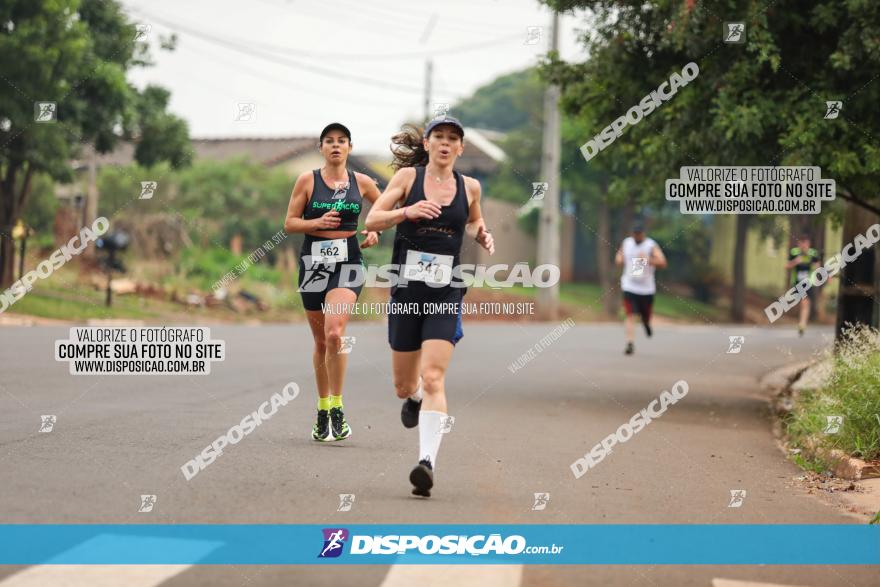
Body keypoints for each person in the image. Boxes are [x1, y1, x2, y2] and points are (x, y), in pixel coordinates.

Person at [365, 116, 494, 497]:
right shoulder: (408, 179)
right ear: (427, 143)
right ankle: (415, 397)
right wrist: (408, 211)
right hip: (407, 291)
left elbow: (474, 220)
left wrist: (482, 233)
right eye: (438, 136)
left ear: (460, 148)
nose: (445, 143)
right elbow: (372, 218)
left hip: (446, 290)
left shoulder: (470, 187)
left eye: (452, 138)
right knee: (404, 384)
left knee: (435, 376)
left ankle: (426, 464)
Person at [283, 122, 381, 441]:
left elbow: (383, 210)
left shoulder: (363, 182)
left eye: (342, 141)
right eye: (330, 141)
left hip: (348, 261)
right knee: (321, 342)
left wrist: (375, 230)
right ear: (321, 148)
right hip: (314, 262)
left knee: (335, 332)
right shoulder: (307, 181)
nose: (336, 145)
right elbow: (290, 223)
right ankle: (322, 408)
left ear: (350, 147)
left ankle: (338, 407)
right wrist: (316, 222)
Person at [615, 223, 667, 355]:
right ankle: (630, 343)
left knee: (645, 316)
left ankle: (646, 323)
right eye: (635, 233)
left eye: (639, 233)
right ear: (632, 233)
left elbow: (662, 262)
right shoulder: (626, 243)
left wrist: (648, 259)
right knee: (630, 315)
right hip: (629, 285)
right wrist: (620, 259)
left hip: (646, 289)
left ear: (644, 233)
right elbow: (618, 258)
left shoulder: (651, 245)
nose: (637, 236)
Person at [786, 235, 819, 336]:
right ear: (799, 244)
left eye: (806, 244)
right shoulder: (794, 253)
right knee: (803, 303)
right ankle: (801, 322)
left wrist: (814, 266)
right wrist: (796, 261)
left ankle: (802, 324)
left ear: (808, 244)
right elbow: (787, 266)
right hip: (797, 282)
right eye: (802, 244)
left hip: (808, 283)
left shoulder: (813, 254)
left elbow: (818, 266)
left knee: (805, 303)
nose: (804, 246)